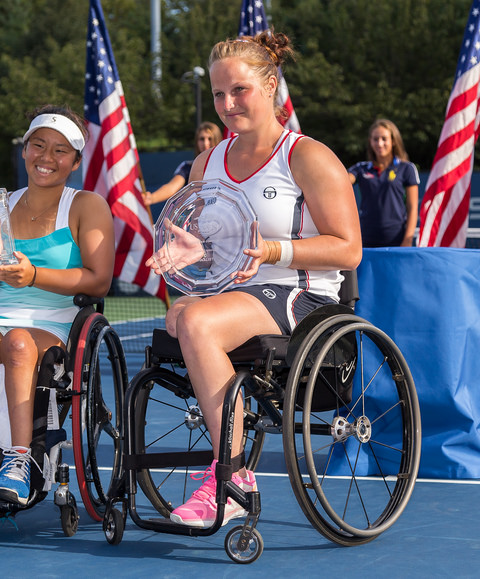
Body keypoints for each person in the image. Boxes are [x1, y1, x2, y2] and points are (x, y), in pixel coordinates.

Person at [146, 31, 361, 528]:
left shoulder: (307, 157)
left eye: (238, 90)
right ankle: (232, 450)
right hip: (235, 295)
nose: (226, 104)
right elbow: (211, 249)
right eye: (219, 94)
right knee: (181, 315)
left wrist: (272, 250)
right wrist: (193, 252)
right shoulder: (207, 163)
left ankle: (233, 474)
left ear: (271, 86)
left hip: (303, 296)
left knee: (196, 323)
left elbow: (350, 249)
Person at [0, 104, 115, 505]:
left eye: (59, 151)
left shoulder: (88, 205)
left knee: (19, 343)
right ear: (24, 150)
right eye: (38, 146)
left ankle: (23, 459)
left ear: (74, 161)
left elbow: (99, 279)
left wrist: (34, 275)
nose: (46, 158)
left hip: (58, 315)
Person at [347, 119, 420, 247]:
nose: (379, 144)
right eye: (375, 139)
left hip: (397, 240)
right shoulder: (361, 168)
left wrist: (408, 240)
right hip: (366, 240)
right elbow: (341, 181)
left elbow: (412, 208)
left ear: (393, 141)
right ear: (370, 142)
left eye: (384, 139)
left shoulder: (407, 168)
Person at [143, 122, 224, 207]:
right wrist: (151, 198)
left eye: (210, 138)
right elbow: (172, 187)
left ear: (218, 139)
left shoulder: (226, 166)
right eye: (202, 139)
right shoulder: (187, 167)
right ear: (196, 142)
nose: (205, 143)